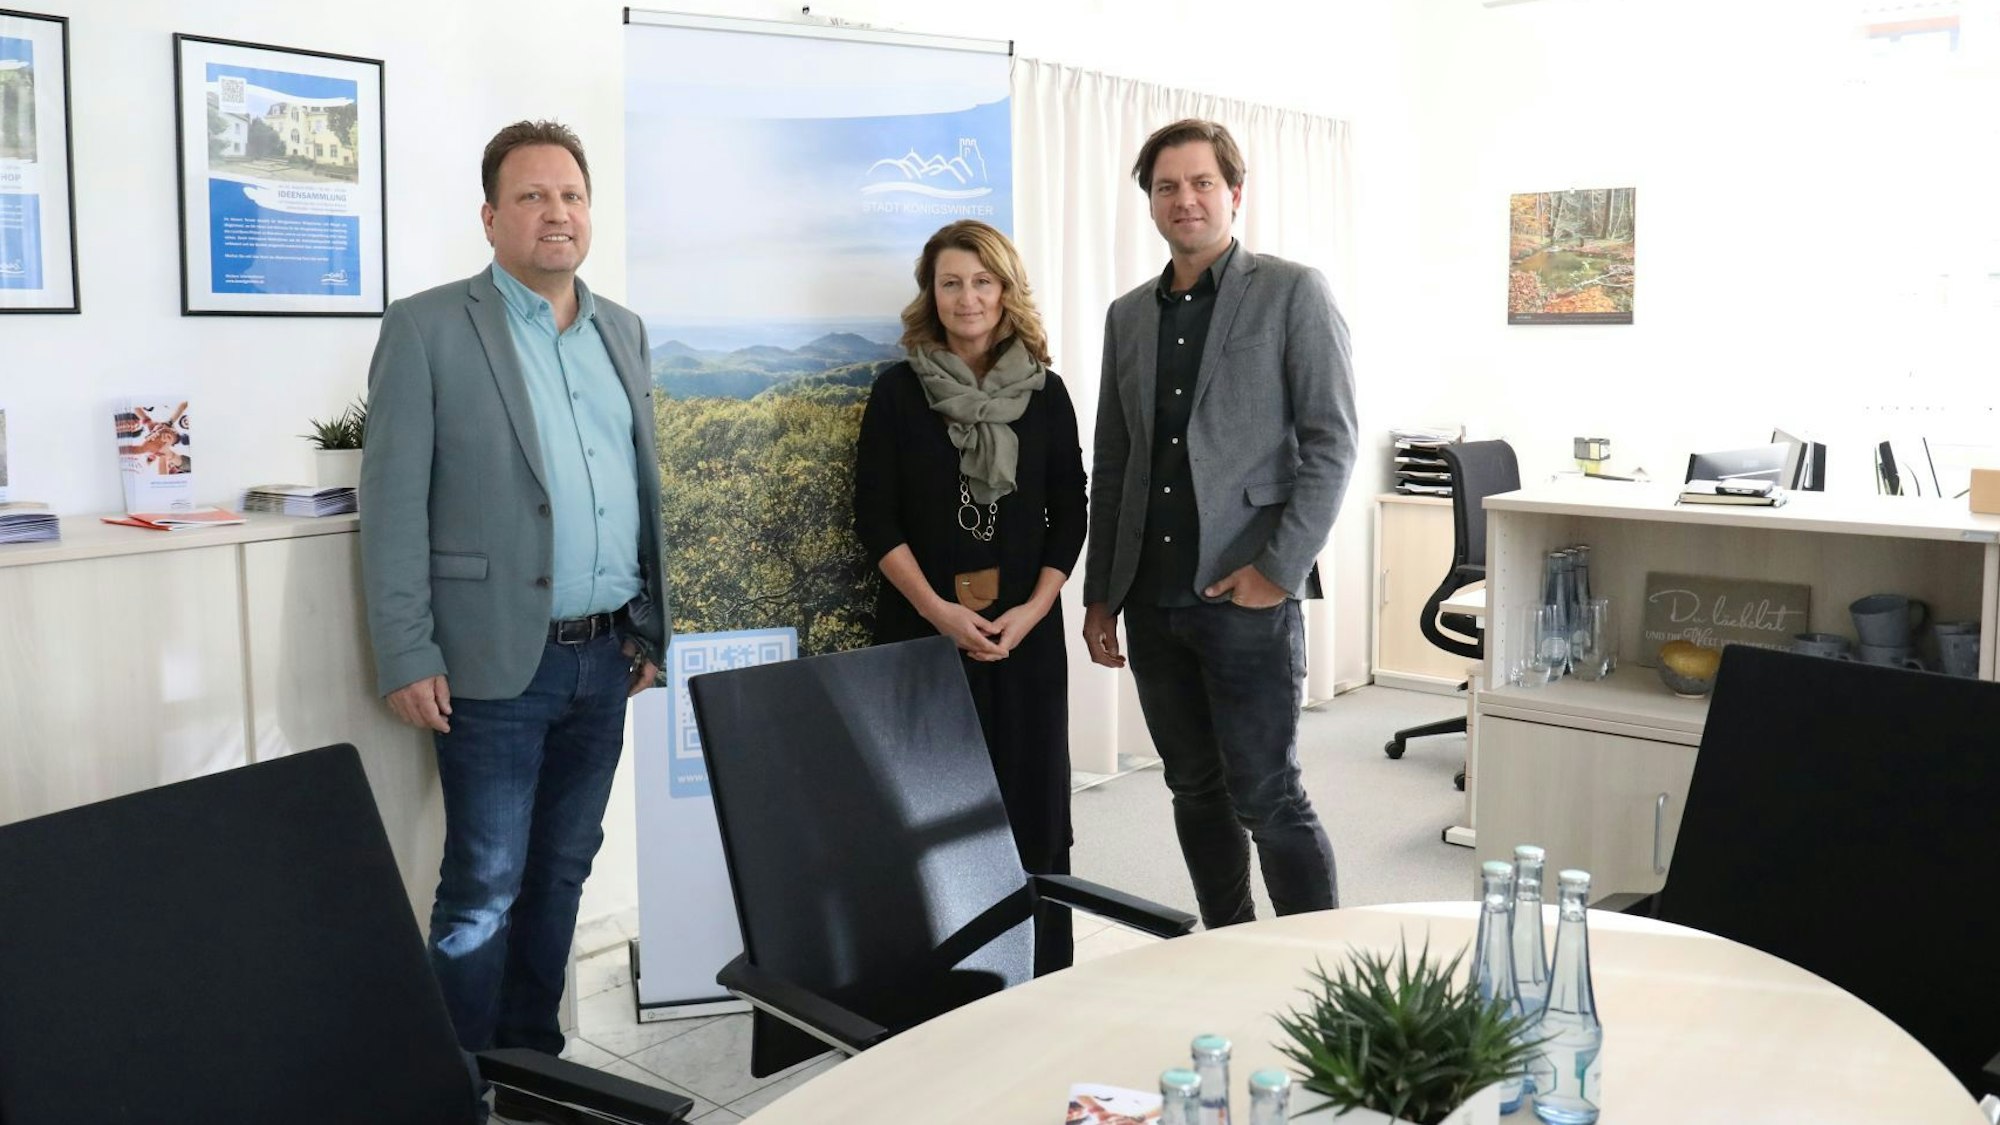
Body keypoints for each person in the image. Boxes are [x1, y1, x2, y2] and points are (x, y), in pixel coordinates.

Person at [359, 120, 669, 1076]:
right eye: (532, 197)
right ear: (491, 217)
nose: (557, 213)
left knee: (563, 870)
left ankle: (532, 1063)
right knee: (484, 885)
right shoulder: (427, 326)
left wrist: (652, 621)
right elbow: (393, 500)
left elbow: (641, 487)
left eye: (570, 195)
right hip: (497, 656)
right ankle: (453, 1080)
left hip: (607, 654)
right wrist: (406, 649)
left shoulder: (623, 329)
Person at [1079, 118, 1358, 930]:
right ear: (1152, 203)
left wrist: (1279, 570)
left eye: (1202, 183)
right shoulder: (1128, 315)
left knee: (1267, 795)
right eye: (1168, 187)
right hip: (1153, 601)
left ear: (1235, 194)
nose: (1185, 199)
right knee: (1192, 787)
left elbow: (1331, 440)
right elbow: (1117, 459)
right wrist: (1102, 593)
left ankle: (1322, 962)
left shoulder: (1291, 291)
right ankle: (1227, 946)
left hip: (1247, 593)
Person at [853, 219, 1087, 974]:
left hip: (1024, 639)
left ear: (1006, 289)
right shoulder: (896, 393)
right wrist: (937, 612)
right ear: (931, 293)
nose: (967, 296)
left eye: (982, 280)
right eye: (950, 282)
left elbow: (1071, 508)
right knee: (928, 818)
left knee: (1034, 815)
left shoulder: (1047, 395)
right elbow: (874, 517)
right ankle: (936, 988)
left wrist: (1038, 605)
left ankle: (1041, 975)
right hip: (924, 637)